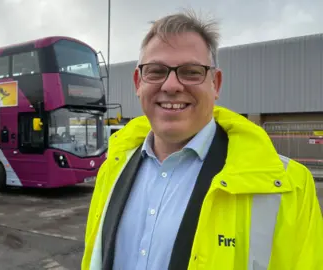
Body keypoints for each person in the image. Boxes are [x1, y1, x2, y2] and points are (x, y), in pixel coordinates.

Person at [81, 9, 323, 270]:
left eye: (191, 71)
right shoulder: (112, 169)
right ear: (138, 82)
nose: (171, 85)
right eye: (156, 71)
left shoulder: (290, 187)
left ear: (215, 84)